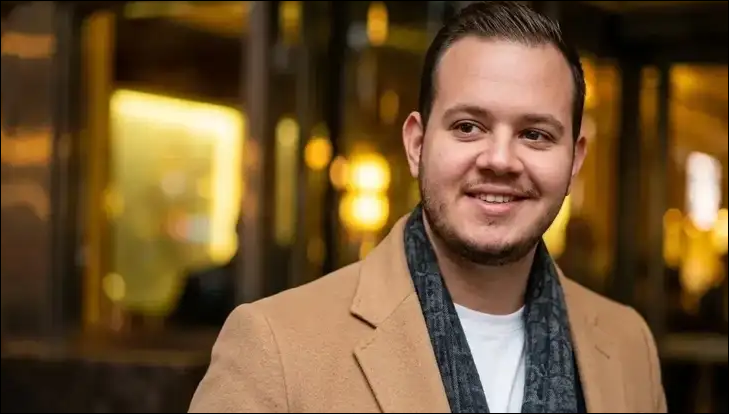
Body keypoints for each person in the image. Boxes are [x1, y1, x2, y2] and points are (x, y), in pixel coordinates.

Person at [189, 2, 667, 413]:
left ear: (575, 160)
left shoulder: (629, 344)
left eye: (535, 134)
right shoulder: (275, 345)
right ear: (417, 144)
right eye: (468, 127)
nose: (500, 159)